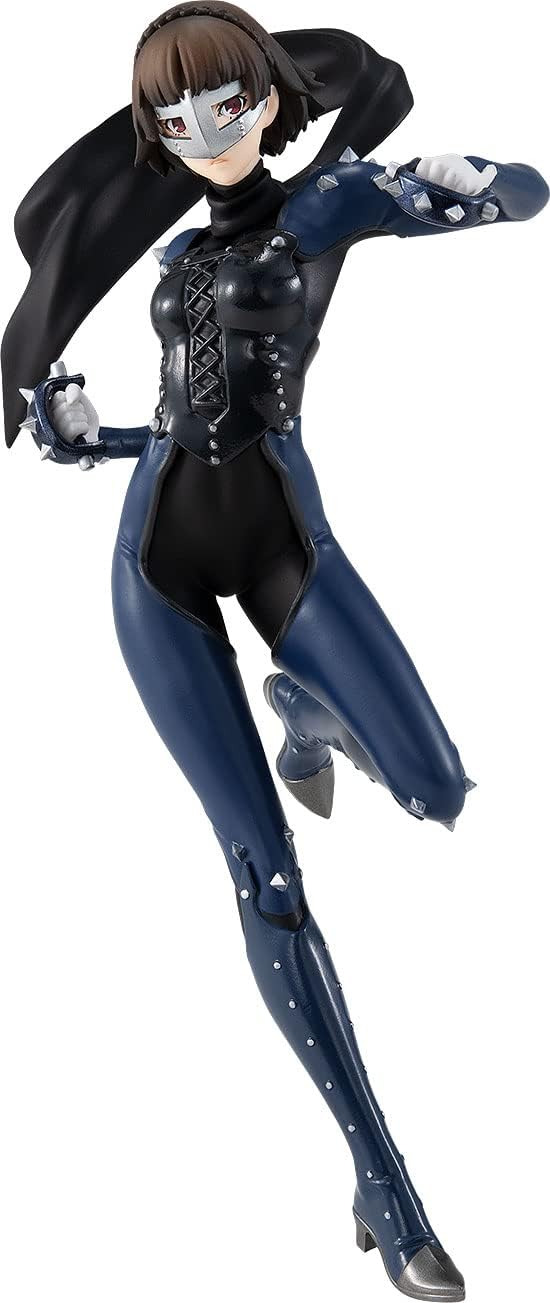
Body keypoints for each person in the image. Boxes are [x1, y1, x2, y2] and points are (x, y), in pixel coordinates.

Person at [2, 4, 548, 1298]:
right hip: (158, 566)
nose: (205, 130)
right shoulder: (177, 257)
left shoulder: (327, 206)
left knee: (438, 789)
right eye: (176, 114)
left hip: (285, 540)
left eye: (226, 101)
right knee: (268, 881)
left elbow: (525, 191)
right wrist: (83, 437)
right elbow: (179, 422)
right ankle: (383, 1182)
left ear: (269, 95)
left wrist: (468, 185)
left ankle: (304, 707)